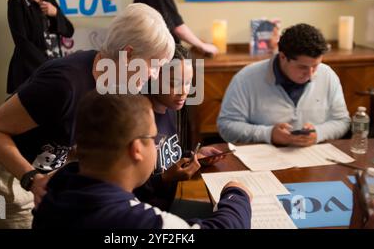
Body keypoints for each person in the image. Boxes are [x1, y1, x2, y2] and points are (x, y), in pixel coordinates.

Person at [0, 3, 175, 228]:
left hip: (42, 167)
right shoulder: (64, 84)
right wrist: (31, 179)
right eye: (154, 65)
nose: (155, 75)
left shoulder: (115, 85)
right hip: (4, 166)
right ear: (128, 54)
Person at [32, 92, 252, 229]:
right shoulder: (141, 222)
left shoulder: (54, 188)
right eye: (153, 137)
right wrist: (236, 195)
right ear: (137, 149)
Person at [217, 23, 351, 146]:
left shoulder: (327, 75)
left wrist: (319, 133)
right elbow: (226, 126)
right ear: (282, 57)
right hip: (263, 160)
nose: (310, 74)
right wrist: (268, 134)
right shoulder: (246, 79)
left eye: (315, 66)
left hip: (315, 157)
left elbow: (342, 121)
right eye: (302, 67)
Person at [135, 45, 226, 211]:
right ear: (152, 77)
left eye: (188, 83)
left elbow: (168, 155)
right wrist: (163, 178)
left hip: (169, 205)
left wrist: (195, 156)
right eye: (174, 83)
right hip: (146, 216)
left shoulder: (171, 108)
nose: (183, 91)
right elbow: (128, 187)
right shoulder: (138, 119)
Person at [7, 0, 74, 94]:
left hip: (54, 69)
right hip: (29, 72)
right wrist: (47, 67)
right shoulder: (16, 3)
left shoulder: (49, 0)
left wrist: (55, 13)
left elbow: (69, 30)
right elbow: (22, 42)